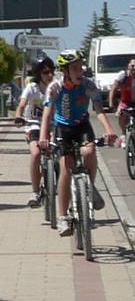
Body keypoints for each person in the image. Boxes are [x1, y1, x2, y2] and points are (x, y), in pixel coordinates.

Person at [38, 50, 119, 236]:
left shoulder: (88, 85)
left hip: (82, 125)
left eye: (81, 66)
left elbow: (99, 110)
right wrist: (44, 137)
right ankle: (63, 217)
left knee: (89, 152)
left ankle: (87, 189)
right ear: (65, 70)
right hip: (62, 128)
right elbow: (47, 115)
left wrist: (109, 131)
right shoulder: (55, 88)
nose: (80, 70)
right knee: (66, 167)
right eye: (75, 67)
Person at [15, 58, 56, 207]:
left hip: (53, 125)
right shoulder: (32, 87)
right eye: (46, 72)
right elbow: (21, 104)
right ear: (39, 73)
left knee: (60, 153)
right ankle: (35, 192)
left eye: (52, 71)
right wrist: (18, 116)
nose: (49, 74)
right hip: (33, 125)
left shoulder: (56, 87)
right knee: (36, 154)